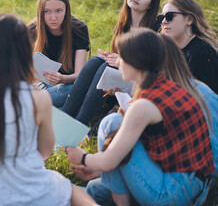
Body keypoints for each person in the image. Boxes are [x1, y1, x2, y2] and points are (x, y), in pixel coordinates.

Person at [0, 14, 97, 206]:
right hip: (31, 191)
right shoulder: (38, 98)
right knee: (71, 189)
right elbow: (44, 152)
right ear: (24, 51)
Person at [64, 29, 215, 206]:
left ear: (138, 62)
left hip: (172, 193)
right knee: (95, 190)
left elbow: (108, 161)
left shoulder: (144, 105)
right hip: (193, 183)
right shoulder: (166, 86)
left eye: (123, 58)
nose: (119, 63)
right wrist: (99, 170)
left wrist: (82, 157)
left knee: (111, 124)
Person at [62, 0, 161, 126]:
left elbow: (150, 67)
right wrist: (109, 57)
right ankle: (64, 117)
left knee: (106, 68)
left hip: (140, 83)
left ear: (150, 5)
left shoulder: (155, 29)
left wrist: (120, 61)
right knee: (95, 61)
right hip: (119, 80)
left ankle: (79, 124)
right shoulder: (123, 24)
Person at [27, 0, 90, 108]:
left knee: (77, 89)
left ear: (66, 10)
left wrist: (62, 79)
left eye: (58, 11)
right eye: (47, 11)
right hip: (39, 85)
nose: (53, 18)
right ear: (40, 12)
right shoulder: (31, 29)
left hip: (67, 84)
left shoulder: (79, 28)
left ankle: (30, 105)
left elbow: (80, 75)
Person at [159, 0, 218, 93]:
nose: (163, 21)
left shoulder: (202, 52)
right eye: (162, 17)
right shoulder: (168, 49)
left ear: (189, 19)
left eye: (170, 16)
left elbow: (206, 98)